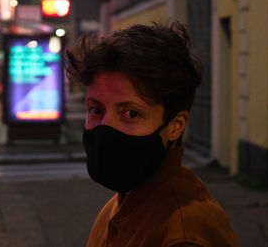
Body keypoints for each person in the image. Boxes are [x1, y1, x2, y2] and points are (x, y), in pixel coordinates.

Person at [64, 23, 240, 247]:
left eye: (131, 113)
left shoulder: (182, 235)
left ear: (176, 125)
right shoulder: (126, 202)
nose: (106, 128)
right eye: (96, 110)